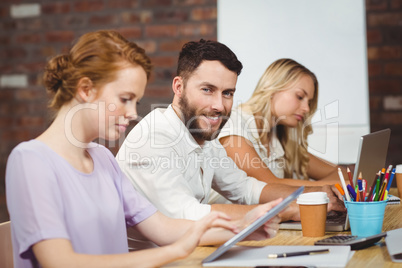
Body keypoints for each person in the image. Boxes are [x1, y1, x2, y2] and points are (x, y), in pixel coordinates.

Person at [5, 30, 282, 268]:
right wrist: (174, 251)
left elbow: (162, 226)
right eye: (125, 99)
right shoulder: (30, 161)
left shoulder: (103, 159)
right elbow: (61, 262)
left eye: (136, 101)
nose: (132, 113)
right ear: (86, 89)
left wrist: (245, 228)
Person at [116, 40, 345, 226]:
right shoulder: (154, 137)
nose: (219, 105)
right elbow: (189, 214)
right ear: (178, 87)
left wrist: (310, 197)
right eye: (207, 90)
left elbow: (247, 189)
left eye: (227, 93)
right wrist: (287, 210)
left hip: (190, 253)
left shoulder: (206, 138)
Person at [218, 58, 348, 187]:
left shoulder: (280, 140)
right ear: (272, 89)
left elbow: (342, 174)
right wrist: (320, 190)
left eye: (309, 102)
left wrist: (321, 189)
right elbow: (269, 185)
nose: (306, 108)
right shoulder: (233, 122)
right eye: (300, 97)